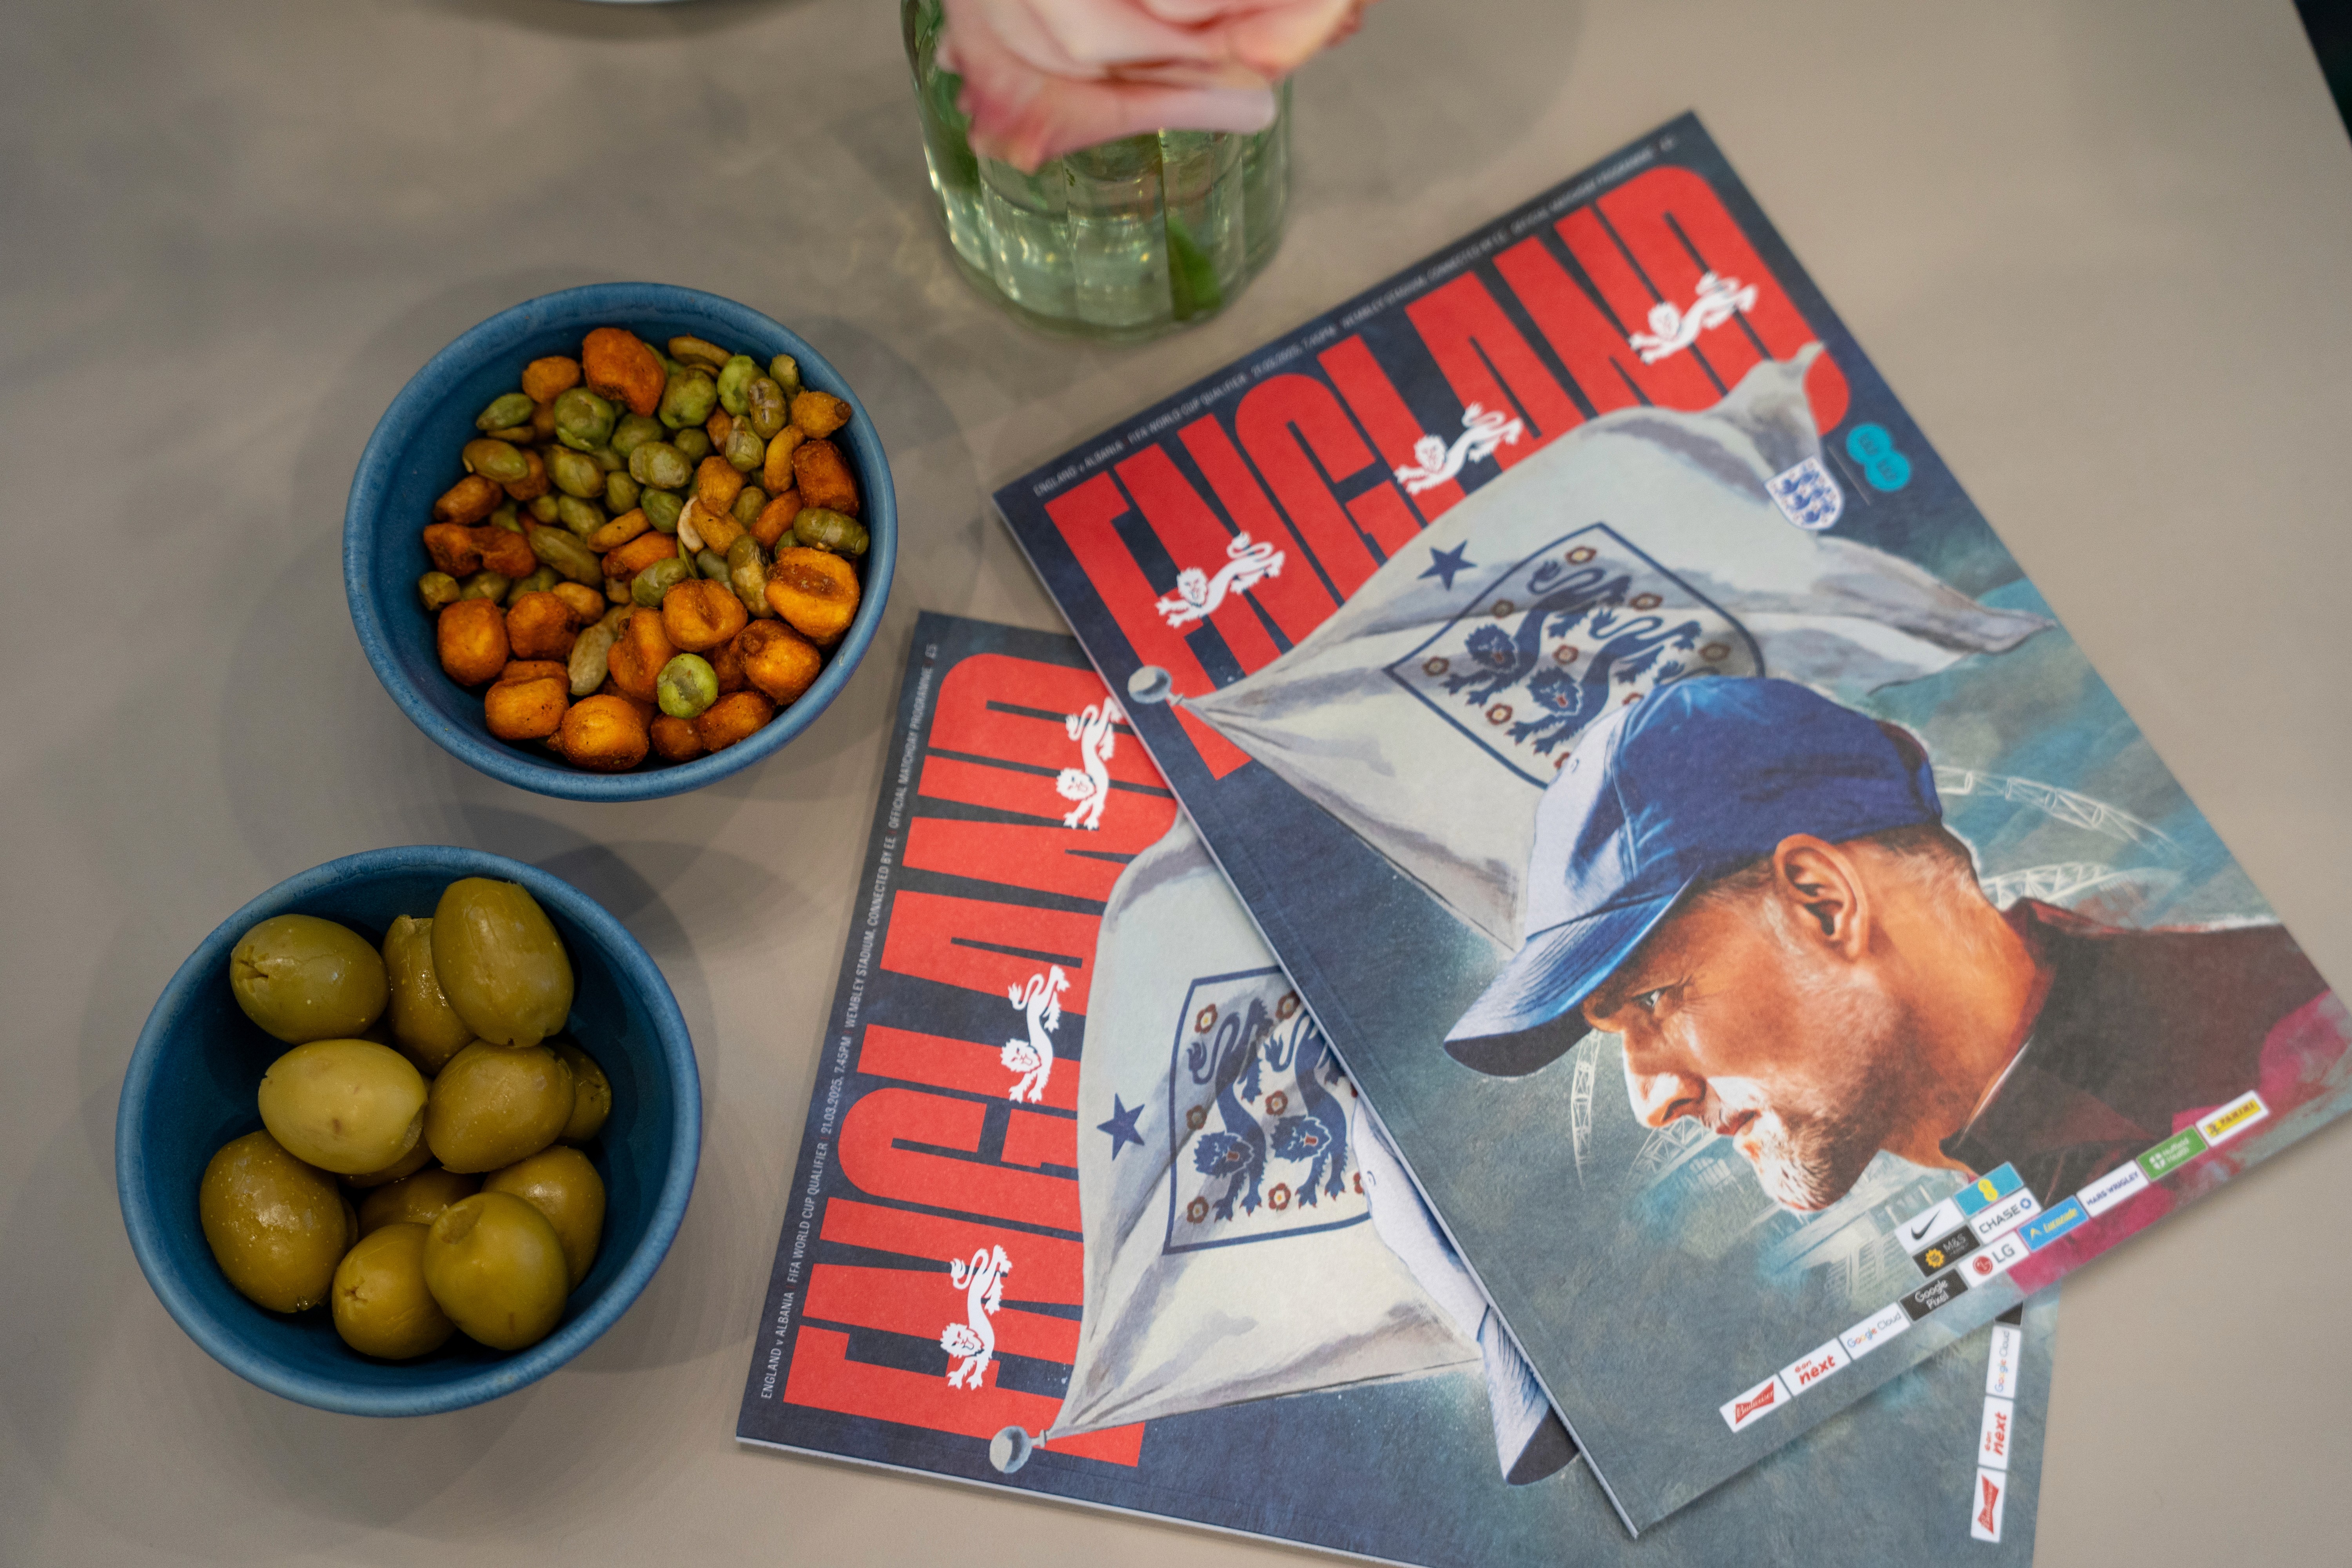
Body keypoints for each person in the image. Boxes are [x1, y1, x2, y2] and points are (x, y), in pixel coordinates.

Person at [1443, 677, 2339, 1211]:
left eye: (1652, 999)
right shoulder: (2011, 1181)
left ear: (1824, 901)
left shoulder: (2295, 1034)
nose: (1651, 1101)